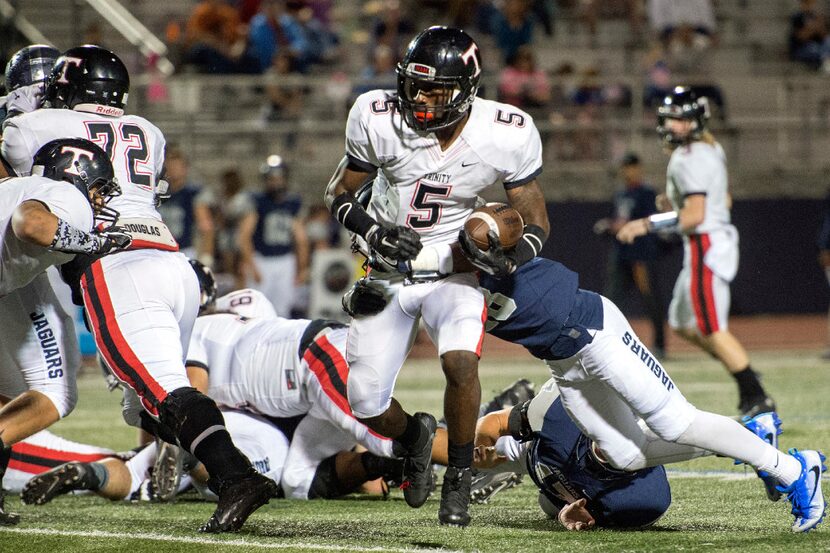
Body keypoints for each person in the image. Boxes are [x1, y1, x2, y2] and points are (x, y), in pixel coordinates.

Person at [349, 231, 826, 533]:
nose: (375, 262)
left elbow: (510, 223)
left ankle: (792, 470)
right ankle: (751, 439)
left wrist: (497, 232)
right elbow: (390, 304)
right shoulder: (416, 284)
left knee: (678, 422)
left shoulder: (455, 242)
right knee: (623, 454)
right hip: (563, 361)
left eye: (377, 254)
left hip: (595, 332)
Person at [1, 45, 277, 533]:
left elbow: (26, 202)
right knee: (144, 400)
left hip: (115, 263)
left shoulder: (35, 127)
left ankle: (236, 476)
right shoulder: (149, 131)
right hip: (172, 261)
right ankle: (167, 460)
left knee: (163, 390)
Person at [325, 25, 549, 526]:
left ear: (466, 90)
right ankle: (415, 436)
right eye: (414, 85)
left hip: (452, 270)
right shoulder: (376, 115)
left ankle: (460, 477)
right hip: (387, 270)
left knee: (460, 365)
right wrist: (373, 230)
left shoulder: (505, 130)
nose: (419, 98)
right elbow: (337, 193)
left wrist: (514, 258)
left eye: (434, 90)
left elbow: (534, 219)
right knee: (364, 403)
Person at [617, 87, 776, 418]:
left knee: (711, 328)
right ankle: (740, 367)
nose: (671, 126)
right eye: (670, 119)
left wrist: (645, 224)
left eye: (678, 120)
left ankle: (756, 394)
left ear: (692, 122)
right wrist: (677, 203)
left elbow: (694, 216)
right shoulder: (710, 147)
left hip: (706, 244)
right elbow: (723, 200)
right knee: (682, 322)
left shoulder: (689, 157)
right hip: (707, 242)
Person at [0, 137, 127, 524]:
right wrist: (90, 242)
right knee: (54, 391)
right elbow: (31, 224)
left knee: (11, 389)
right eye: (98, 189)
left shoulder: (14, 186)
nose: (100, 201)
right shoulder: (63, 195)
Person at [458, 378, 673, 530]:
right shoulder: (562, 412)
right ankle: (507, 400)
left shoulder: (646, 499)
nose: (614, 448)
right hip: (536, 451)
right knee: (459, 454)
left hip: (567, 490)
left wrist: (567, 513)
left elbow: (590, 517)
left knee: (547, 505)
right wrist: (483, 448)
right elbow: (494, 423)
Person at [593, 152, 666, 357]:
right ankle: (608, 343)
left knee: (650, 298)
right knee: (613, 299)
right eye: (625, 167)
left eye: (631, 166)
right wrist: (610, 226)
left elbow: (651, 222)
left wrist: (622, 226)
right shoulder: (621, 193)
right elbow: (619, 219)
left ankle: (660, 344)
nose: (628, 171)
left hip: (641, 253)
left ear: (638, 168)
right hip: (621, 251)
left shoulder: (647, 193)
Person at [237, 155, 310, 317]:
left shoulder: (293, 202)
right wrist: (251, 264)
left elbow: (301, 239)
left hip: (285, 260)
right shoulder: (257, 200)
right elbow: (244, 235)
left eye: (279, 178)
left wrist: (302, 267)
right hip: (262, 260)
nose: (276, 182)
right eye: (272, 178)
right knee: (255, 311)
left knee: (283, 311)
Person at [155, 146, 215, 264]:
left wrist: (207, 255)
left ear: (185, 168)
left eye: (176, 166)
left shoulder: (193, 194)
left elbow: (206, 226)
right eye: (170, 165)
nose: (173, 169)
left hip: (185, 251)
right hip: (159, 250)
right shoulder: (157, 192)